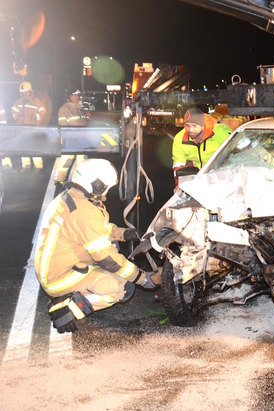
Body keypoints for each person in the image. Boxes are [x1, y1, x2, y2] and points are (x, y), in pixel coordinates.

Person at [34, 158, 156, 333]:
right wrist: (141, 278)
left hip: (55, 269)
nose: (106, 194)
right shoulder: (85, 211)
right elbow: (106, 259)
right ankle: (67, 308)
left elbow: (95, 230)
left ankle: (75, 296)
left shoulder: (71, 197)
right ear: (96, 185)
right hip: (60, 277)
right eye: (105, 188)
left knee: (113, 251)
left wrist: (122, 234)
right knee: (120, 287)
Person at [172, 107, 232, 186]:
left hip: (222, 178)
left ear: (202, 125)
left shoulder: (222, 133)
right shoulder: (179, 139)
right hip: (197, 180)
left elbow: (240, 150)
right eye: (187, 125)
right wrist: (179, 186)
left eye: (194, 126)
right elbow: (178, 166)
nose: (190, 130)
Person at [11, 81, 45, 170]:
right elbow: (14, 113)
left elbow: (42, 112)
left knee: (35, 148)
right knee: (24, 147)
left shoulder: (36, 101)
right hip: (22, 129)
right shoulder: (17, 102)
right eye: (23, 92)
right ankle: (26, 165)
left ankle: (38, 166)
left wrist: (36, 117)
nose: (25, 94)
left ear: (30, 91)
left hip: (34, 128)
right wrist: (17, 117)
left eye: (26, 92)